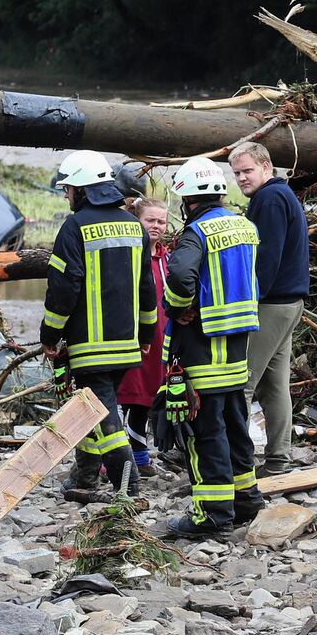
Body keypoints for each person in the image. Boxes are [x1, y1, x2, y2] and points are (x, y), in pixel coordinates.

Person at [42, 149, 156, 500]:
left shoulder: (74, 227)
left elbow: (63, 287)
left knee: (105, 418)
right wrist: (147, 333)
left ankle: (127, 486)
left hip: (91, 346)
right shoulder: (134, 224)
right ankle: (85, 476)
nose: (66, 195)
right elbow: (146, 286)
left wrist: (50, 334)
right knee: (94, 408)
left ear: (82, 189)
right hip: (127, 342)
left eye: (67, 189)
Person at [159, 157, 263, 539]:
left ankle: (212, 515)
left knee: (204, 432)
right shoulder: (244, 226)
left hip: (203, 348)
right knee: (237, 424)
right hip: (237, 345)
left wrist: (178, 307)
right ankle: (246, 499)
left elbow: (181, 276)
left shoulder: (196, 233)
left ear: (187, 199)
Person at [230, 141, 308, 476]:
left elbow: (266, 257)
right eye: (236, 174)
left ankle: (236, 464)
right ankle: (278, 459)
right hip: (289, 302)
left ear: (266, 166)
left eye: (247, 170)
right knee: (274, 385)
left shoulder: (270, 198)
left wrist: (248, 301)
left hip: (271, 306)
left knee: (241, 384)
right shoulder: (280, 195)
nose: (242, 179)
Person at [115, 198, 173, 472]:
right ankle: (126, 458)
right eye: (150, 220)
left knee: (152, 395)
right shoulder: (127, 255)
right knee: (131, 396)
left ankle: (146, 454)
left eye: (161, 221)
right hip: (134, 337)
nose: (156, 226)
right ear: (137, 220)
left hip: (161, 338)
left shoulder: (167, 257)